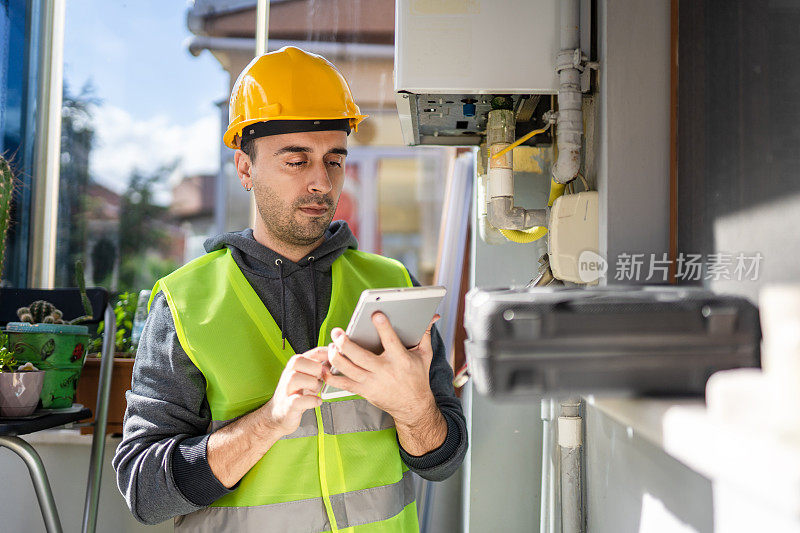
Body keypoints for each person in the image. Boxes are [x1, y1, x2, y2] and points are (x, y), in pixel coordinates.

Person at [113, 46, 467, 532]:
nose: (322, 181)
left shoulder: (393, 285)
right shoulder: (184, 302)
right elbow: (144, 491)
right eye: (297, 161)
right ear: (244, 168)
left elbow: (444, 461)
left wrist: (415, 409)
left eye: (334, 160)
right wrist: (268, 422)